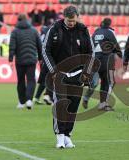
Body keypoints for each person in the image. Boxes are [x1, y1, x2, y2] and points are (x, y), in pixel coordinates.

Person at [42, 6, 92, 149]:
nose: (71, 23)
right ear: (64, 17)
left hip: (78, 75)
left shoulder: (83, 30)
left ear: (77, 17)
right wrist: (53, 71)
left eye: (73, 20)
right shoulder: (55, 29)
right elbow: (46, 50)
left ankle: (68, 135)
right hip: (60, 75)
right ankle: (59, 136)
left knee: (73, 107)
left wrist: (86, 74)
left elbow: (90, 53)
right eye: (69, 20)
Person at [9, 14, 42, 110]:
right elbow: (39, 45)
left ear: (18, 20)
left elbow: (12, 46)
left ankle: (21, 102)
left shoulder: (15, 32)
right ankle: (29, 100)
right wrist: (40, 58)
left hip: (20, 60)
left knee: (20, 81)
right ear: (27, 20)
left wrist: (11, 59)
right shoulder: (34, 30)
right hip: (32, 59)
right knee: (31, 80)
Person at [91, 18, 122, 111]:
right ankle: (104, 104)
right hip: (106, 61)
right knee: (110, 82)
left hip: (96, 61)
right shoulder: (109, 32)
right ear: (109, 25)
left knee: (103, 82)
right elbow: (116, 45)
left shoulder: (96, 32)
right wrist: (120, 54)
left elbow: (90, 46)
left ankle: (101, 103)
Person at [33, 19, 54, 105]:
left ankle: (37, 97)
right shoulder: (52, 33)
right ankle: (48, 96)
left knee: (44, 78)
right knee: (52, 77)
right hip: (49, 58)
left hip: (42, 58)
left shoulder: (43, 32)